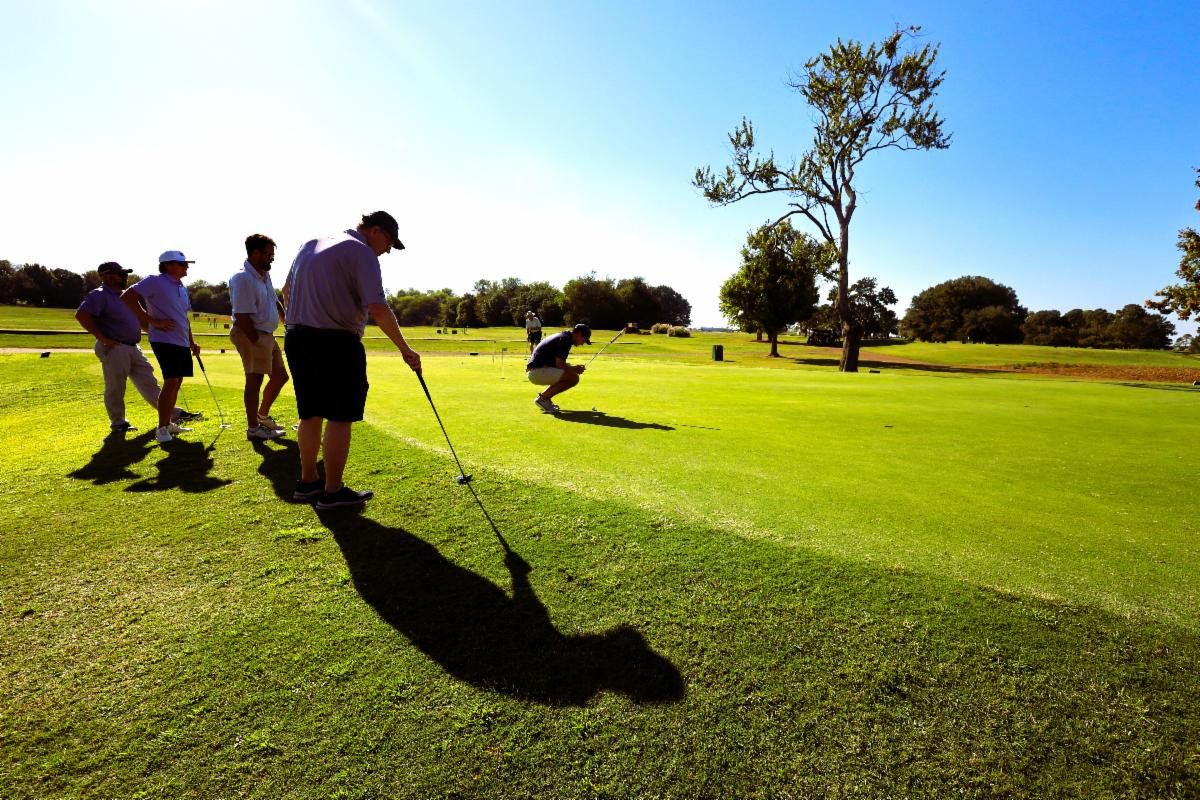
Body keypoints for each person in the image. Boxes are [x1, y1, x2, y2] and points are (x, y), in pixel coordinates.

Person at [282, 211, 421, 510]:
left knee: (309, 413)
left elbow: (285, 291)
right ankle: (332, 492)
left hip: (296, 338)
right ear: (375, 231)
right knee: (340, 416)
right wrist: (405, 349)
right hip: (336, 342)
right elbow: (377, 307)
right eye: (389, 243)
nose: (386, 251)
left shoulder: (311, 243)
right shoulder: (362, 252)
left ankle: (307, 483)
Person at [74, 261, 201, 432]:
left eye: (125, 274)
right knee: (116, 385)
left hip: (133, 346)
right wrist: (103, 338)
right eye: (120, 274)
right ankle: (118, 422)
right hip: (114, 346)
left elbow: (141, 321)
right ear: (106, 275)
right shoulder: (99, 295)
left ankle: (172, 414)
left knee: (149, 382)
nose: (124, 277)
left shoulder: (124, 295)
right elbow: (82, 315)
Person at [122, 251, 202, 444]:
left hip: (181, 340)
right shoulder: (155, 281)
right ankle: (162, 429)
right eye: (182, 264)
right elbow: (127, 298)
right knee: (171, 380)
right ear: (168, 265)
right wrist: (152, 322)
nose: (186, 267)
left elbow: (184, 317)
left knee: (177, 381)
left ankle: (169, 422)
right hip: (164, 339)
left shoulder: (181, 287)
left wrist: (192, 341)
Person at [230, 233, 288, 441]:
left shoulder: (264, 275)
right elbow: (243, 315)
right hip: (251, 333)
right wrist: (255, 340)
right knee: (254, 380)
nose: (272, 258)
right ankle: (254, 429)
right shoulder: (243, 278)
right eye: (268, 254)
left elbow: (275, 301)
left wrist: (287, 320)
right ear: (255, 253)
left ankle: (261, 416)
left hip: (266, 335)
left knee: (281, 376)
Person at [525, 323, 591, 413]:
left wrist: (572, 368)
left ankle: (545, 399)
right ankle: (543, 399)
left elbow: (558, 363)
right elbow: (559, 364)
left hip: (536, 371)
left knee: (569, 375)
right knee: (573, 378)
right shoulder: (565, 340)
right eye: (584, 339)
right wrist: (574, 369)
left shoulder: (564, 337)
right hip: (537, 372)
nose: (583, 343)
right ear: (578, 334)